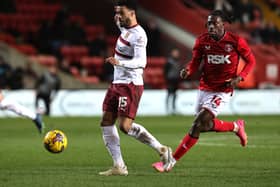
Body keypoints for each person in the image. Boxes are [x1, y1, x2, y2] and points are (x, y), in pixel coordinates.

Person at [152, 10, 256, 172]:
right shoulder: (202, 41)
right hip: (204, 88)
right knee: (204, 125)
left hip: (223, 89)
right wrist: (188, 70)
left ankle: (170, 162)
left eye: (214, 23)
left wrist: (240, 77)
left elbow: (251, 61)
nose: (211, 26)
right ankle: (236, 126)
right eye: (208, 24)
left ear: (223, 24)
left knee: (197, 124)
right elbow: (195, 62)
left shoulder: (236, 41)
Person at [99, 0, 173, 176]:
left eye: (121, 13)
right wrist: (117, 16)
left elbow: (142, 62)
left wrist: (120, 62)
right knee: (106, 122)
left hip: (130, 85)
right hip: (117, 83)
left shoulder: (139, 35)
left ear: (132, 13)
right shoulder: (124, 28)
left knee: (125, 127)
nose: (118, 16)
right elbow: (120, 23)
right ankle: (119, 166)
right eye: (117, 13)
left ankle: (162, 149)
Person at [164, 48, 182, 115]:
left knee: (175, 94)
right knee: (169, 94)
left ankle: (174, 108)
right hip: (170, 80)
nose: (176, 54)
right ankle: (168, 109)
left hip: (176, 80)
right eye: (175, 53)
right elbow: (165, 72)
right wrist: (166, 79)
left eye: (177, 53)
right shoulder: (169, 61)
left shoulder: (178, 62)